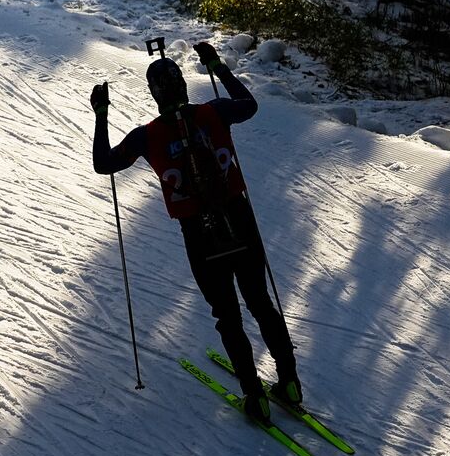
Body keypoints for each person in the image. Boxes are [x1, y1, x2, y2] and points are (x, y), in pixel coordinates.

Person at [90, 41, 300, 423]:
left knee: (227, 315)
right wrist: (217, 66)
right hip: (239, 218)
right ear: (184, 85)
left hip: (199, 233)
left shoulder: (147, 136)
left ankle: (255, 396)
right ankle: (289, 382)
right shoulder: (213, 112)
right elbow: (249, 104)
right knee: (260, 302)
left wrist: (101, 113)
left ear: (155, 95)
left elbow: (104, 163)